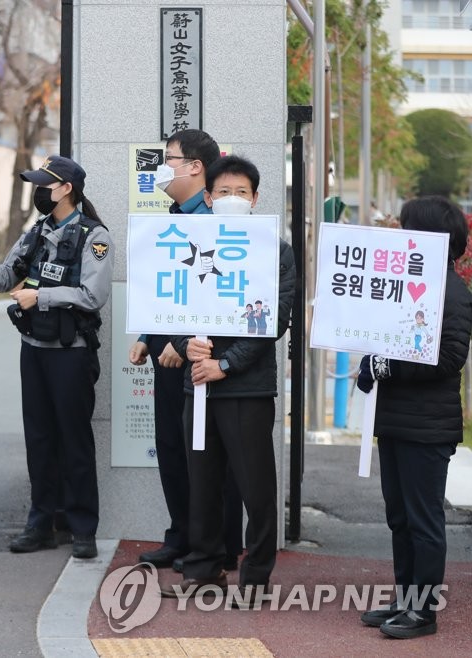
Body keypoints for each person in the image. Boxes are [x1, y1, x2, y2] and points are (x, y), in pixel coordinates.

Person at [0, 154, 111, 560]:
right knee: (39, 440)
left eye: (46, 184)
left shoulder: (94, 237)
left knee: (74, 440)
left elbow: (93, 296)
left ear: (67, 189)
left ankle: (82, 528)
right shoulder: (37, 232)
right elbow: (6, 278)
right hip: (35, 350)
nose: (39, 190)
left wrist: (40, 295)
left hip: (70, 354)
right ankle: (40, 522)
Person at [159, 154, 295, 604]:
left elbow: (274, 319)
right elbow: (168, 303)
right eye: (223, 192)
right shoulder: (183, 243)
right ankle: (204, 568)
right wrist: (184, 344)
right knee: (202, 481)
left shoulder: (275, 250)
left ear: (256, 198)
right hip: (197, 385)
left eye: (241, 193)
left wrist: (227, 363)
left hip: (246, 388)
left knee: (255, 487)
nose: (232, 199)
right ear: (207, 197)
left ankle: (254, 577)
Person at [356, 196, 472, 639]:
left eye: (408, 229)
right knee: (400, 516)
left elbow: (446, 359)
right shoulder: (410, 283)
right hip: (398, 420)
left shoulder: (453, 293)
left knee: (423, 520)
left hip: (427, 428)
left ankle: (423, 611)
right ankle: (405, 598)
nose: (401, 236)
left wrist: (384, 367)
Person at [128, 130, 243, 572]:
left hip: (202, 357)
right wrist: (146, 335)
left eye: (170, 159)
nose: (163, 167)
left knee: (211, 453)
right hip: (166, 353)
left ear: (196, 166)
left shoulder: (218, 220)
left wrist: (180, 342)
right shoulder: (172, 218)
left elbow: (222, 299)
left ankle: (220, 544)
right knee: (173, 446)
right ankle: (182, 535)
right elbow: (163, 290)